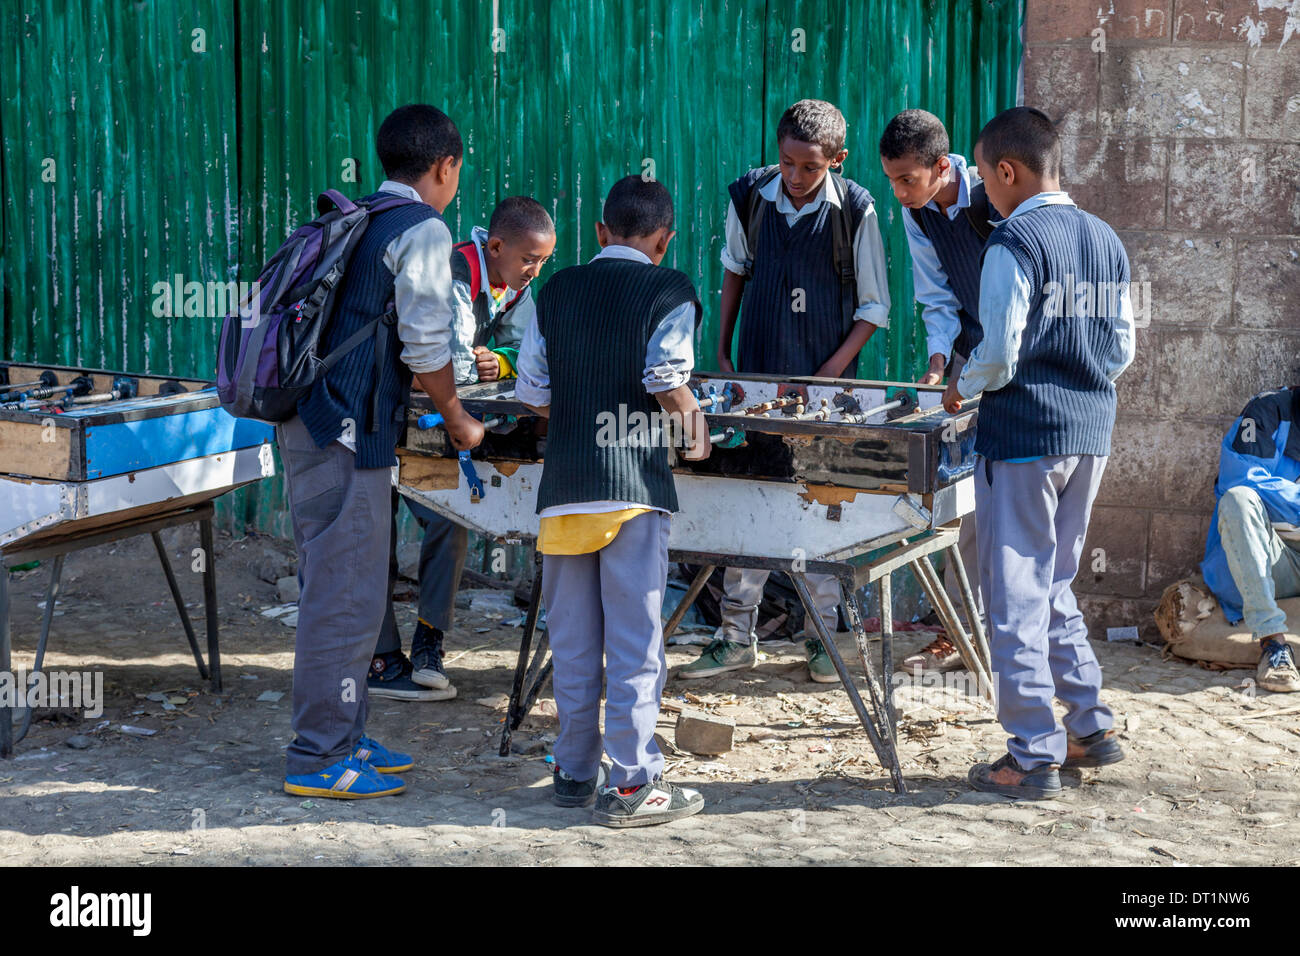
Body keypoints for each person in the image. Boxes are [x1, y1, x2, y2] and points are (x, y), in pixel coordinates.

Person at [280, 104, 484, 800]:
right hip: (344, 433)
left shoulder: (362, 217)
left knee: (348, 592)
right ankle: (318, 755)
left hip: (317, 426)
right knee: (343, 597)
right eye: (457, 169)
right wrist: (456, 416)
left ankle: (347, 734)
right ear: (444, 165)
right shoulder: (421, 228)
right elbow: (427, 344)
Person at [941, 106, 1135, 799]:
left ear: (1006, 171)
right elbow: (1121, 350)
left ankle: (1031, 755)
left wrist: (962, 389)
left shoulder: (1014, 242)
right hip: (1090, 432)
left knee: (1014, 596)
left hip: (1024, 436)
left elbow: (1000, 351)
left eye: (985, 181)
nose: (982, 197)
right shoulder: (1106, 239)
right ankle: (1089, 726)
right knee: (1052, 583)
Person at [514, 175, 709, 827]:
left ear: (601, 233)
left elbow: (532, 393)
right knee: (634, 643)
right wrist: (696, 431)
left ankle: (573, 771)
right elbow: (665, 374)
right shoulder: (670, 287)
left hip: (565, 489)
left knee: (571, 640)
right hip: (632, 491)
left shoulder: (556, 290)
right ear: (663, 241)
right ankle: (632, 785)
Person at [681, 97, 891, 684]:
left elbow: (874, 308)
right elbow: (735, 269)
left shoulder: (856, 210)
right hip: (758, 384)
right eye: (787, 163)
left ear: (838, 161)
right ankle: (734, 636)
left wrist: (827, 377)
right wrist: (724, 353)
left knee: (819, 507)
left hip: (826, 396)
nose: (795, 178)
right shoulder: (751, 196)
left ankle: (827, 639)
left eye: (810, 167)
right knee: (753, 499)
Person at [368, 198, 556, 702]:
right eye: (528, 260)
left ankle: (429, 640)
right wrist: (487, 365)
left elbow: (532, 356)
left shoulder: (512, 287)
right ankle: (380, 656)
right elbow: (452, 362)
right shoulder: (455, 271)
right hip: (385, 417)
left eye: (542, 262)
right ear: (495, 247)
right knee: (373, 531)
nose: (535, 271)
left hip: (437, 421)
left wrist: (501, 358)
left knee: (446, 518)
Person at [880, 108, 994, 673]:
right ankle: (960, 633)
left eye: (908, 179)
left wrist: (979, 369)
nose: (900, 192)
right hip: (973, 356)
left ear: (943, 166)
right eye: (892, 180)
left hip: (1020, 361)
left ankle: (1007, 637)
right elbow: (937, 297)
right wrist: (939, 362)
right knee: (961, 501)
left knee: (1010, 497)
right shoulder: (918, 215)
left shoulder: (994, 198)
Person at [1200, 385, 1300, 693]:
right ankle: (1274, 646)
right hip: (1275, 558)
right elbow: (1243, 478)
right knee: (1238, 499)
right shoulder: (1269, 411)